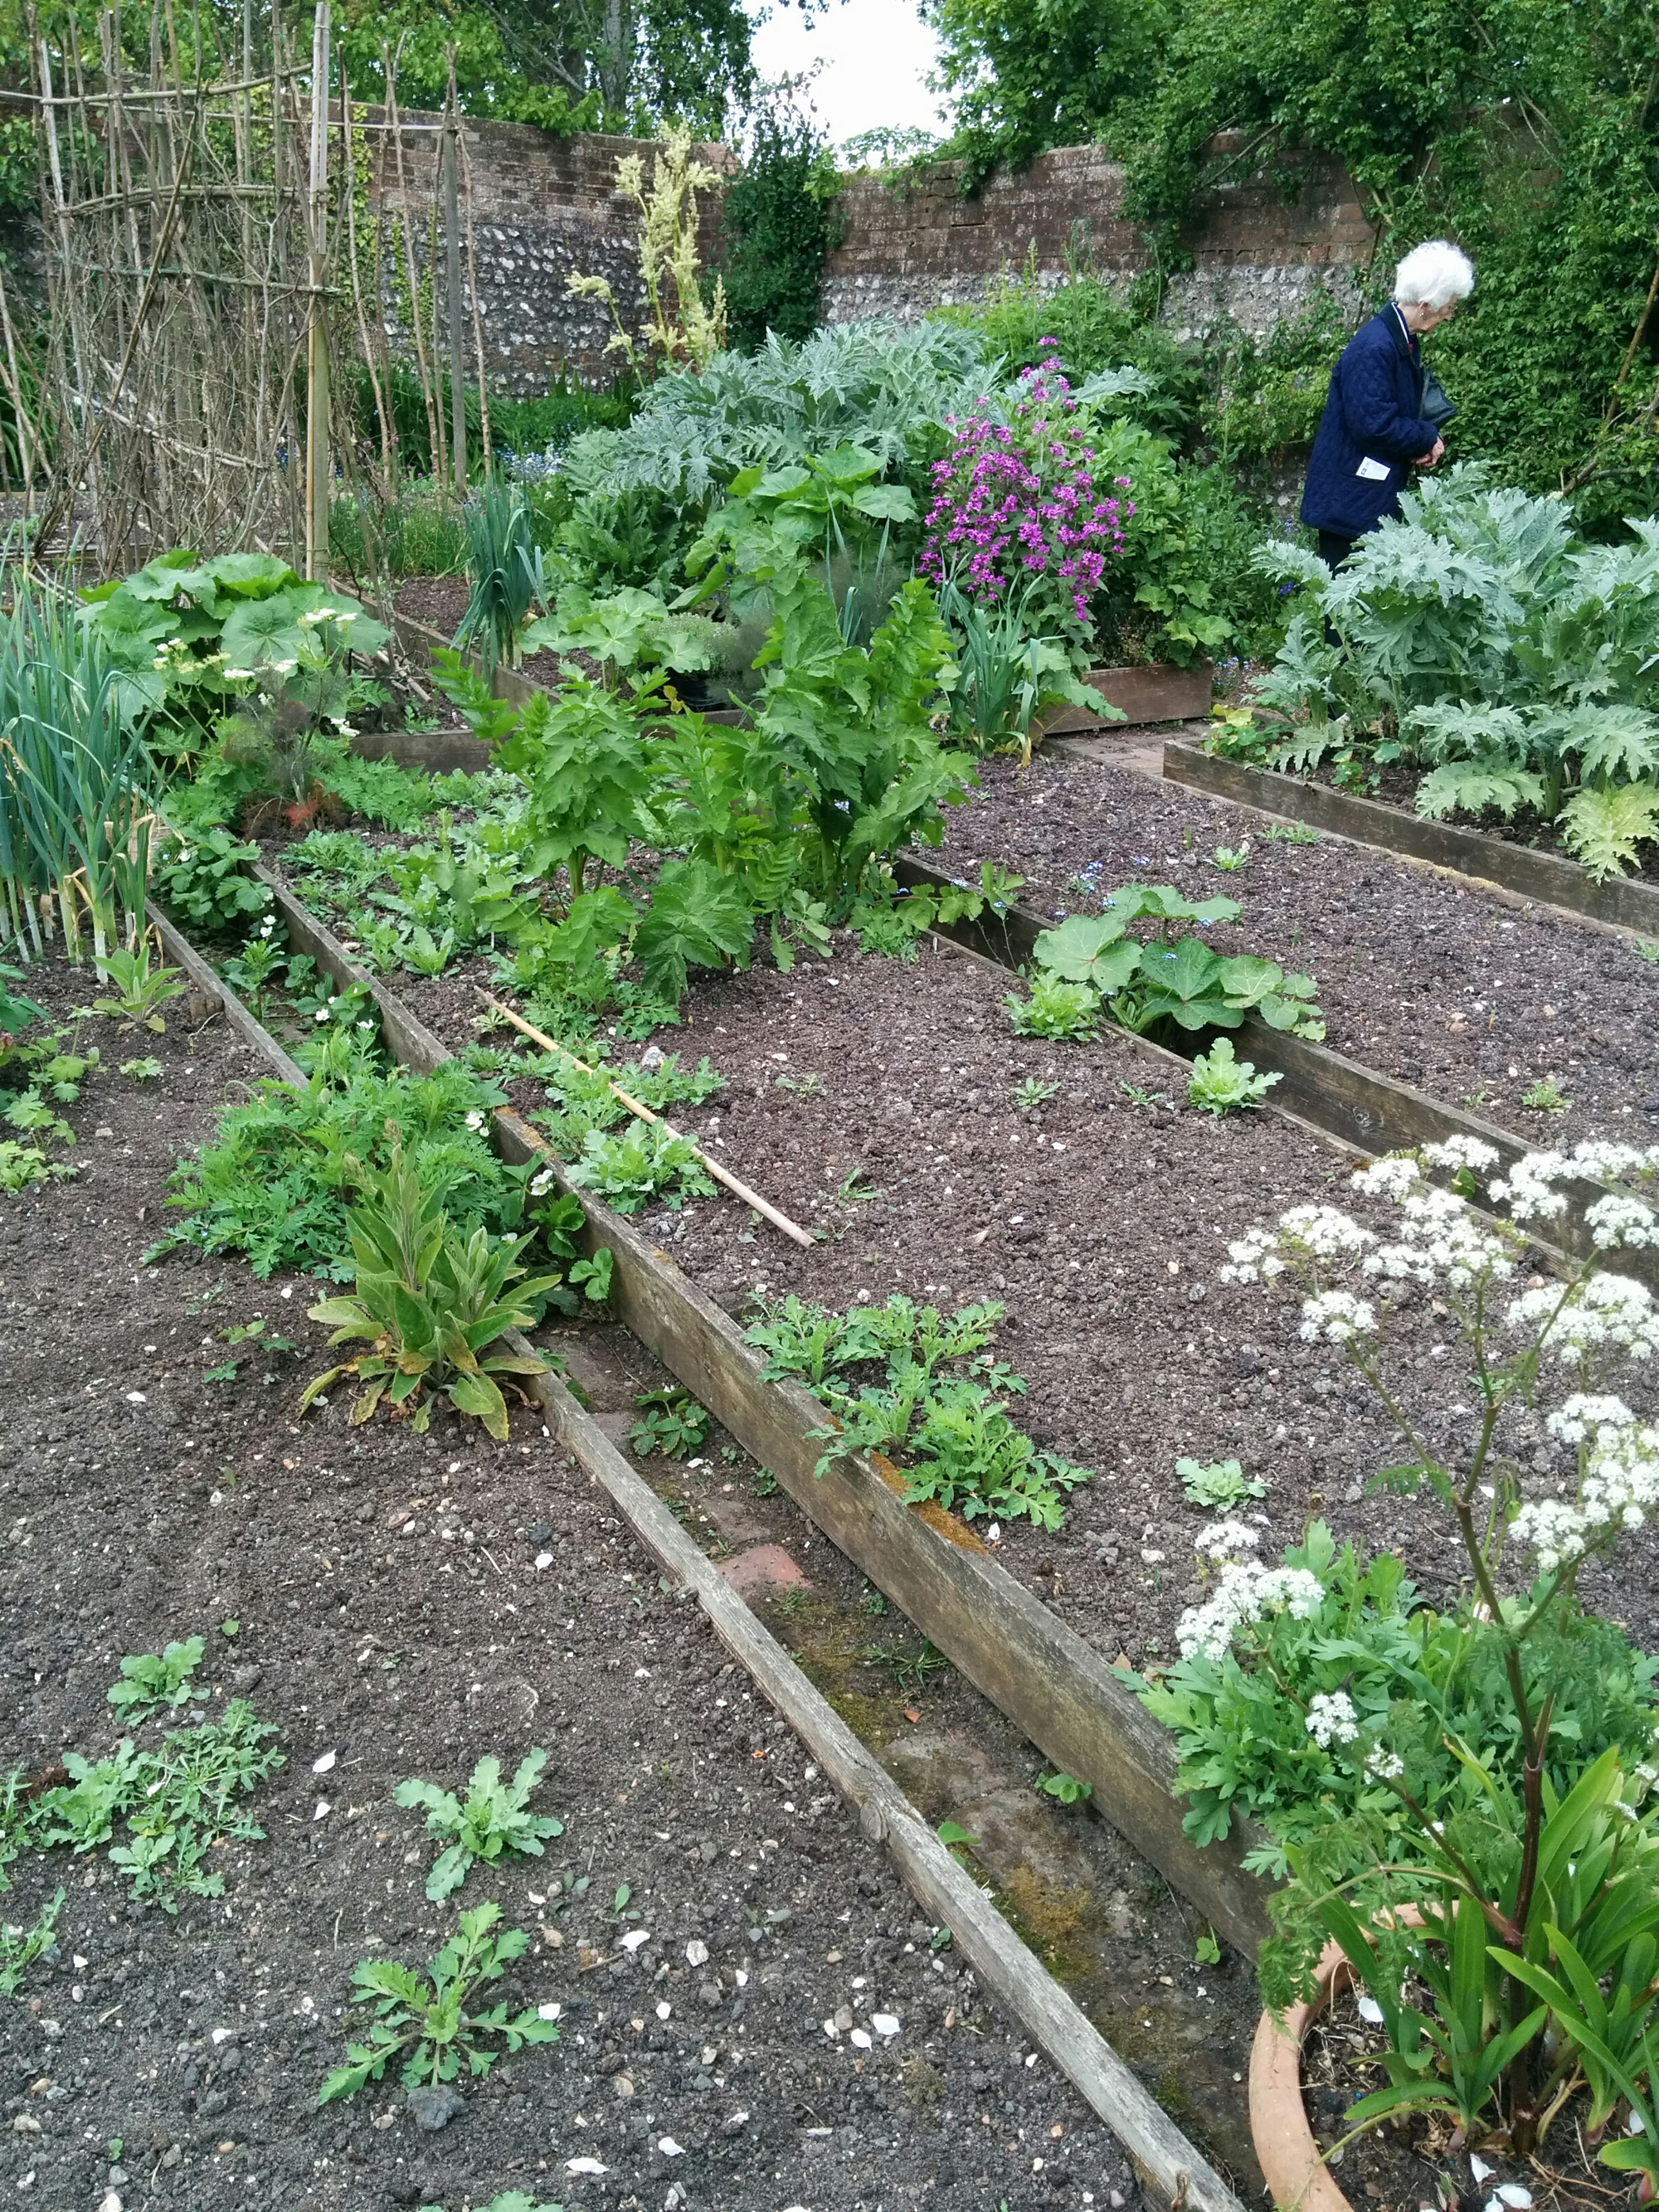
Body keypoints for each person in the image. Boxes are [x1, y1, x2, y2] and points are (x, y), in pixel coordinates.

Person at [1300, 240, 1475, 571]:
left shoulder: (1399, 340)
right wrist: (1426, 438)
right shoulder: (1375, 347)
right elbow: (1375, 426)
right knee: (1345, 614)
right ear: (1425, 305)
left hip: (1363, 497)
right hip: (1349, 505)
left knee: (1367, 614)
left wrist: (1420, 442)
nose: (1449, 316)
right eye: (1449, 307)